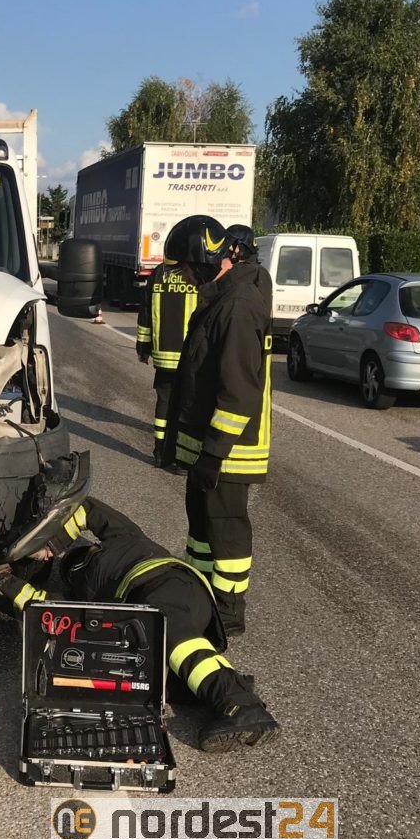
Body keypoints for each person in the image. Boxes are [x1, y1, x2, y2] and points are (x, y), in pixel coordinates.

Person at [0, 496, 280, 752]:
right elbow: (50, 609)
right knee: (146, 676)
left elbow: (84, 508)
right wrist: (6, 577)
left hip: (166, 586)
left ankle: (242, 705)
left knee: (170, 633)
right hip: (179, 598)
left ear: (79, 564)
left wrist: (46, 547)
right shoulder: (124, 542)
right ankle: (222, 682)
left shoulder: (111, 554)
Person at [164, 216, 273, 636]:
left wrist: (214, 453)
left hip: (229, 451)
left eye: (189, 268)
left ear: (210, 260)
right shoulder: (222, 298)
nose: (186, 277)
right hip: (209, 448)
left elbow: (238, 392)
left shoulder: (239, 306)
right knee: (202, 526)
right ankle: (200, 595)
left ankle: (227, 612)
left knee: (225, 528)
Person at [136, 221, 202, 466]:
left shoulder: (157, 275)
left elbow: (145, 315)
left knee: (164, 403)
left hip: (163, 356)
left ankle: (160, 450)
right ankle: (182, 456)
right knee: (187, 405)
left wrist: (143, 347)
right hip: (190, 356)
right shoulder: (195, 275)